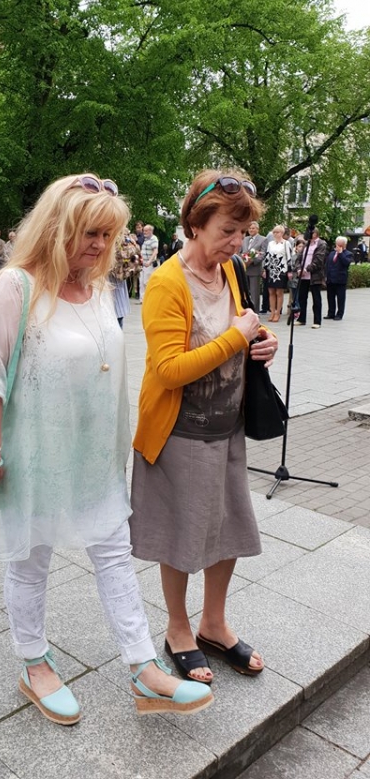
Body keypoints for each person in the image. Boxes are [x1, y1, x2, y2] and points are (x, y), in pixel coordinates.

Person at [0, 173, 213, 726]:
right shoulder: (15, 287)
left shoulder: (96, 289)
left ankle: (144, 668)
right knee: (31, 559)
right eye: (89, 233)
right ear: (56, 228)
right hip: (32, 455)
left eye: (108, 235)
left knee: (114, 553)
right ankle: (33, 663)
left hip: (93, 457)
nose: (100, 246)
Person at [130, 170, 277, 685]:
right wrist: (237, 338)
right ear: (195, 224)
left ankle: (213, 623)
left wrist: (262, 339)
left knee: (228, 529)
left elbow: (240, 324)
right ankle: (178, 629)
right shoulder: (166, 282)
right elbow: (169, 369)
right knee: (181, 534)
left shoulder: (228, 269)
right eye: (226, 231)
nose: (237, 243)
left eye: (242, 232)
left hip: (226, 426)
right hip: (180, 434)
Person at [293, 228, 327, 329]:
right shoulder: (306, 244)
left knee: (316, 298)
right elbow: (299, 258)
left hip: (314, 276)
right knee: (302, 298)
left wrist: (306, 269)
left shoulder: (321, 244)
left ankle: (317, 321)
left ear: (316, 233)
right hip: (303, 276)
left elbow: (318, 260)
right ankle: (301, 319)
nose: (308, 234)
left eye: (310, 232)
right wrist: (299, 269)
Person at [262, 225, 291, 322]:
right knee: (271, 292)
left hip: (281, 270)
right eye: (274, 232)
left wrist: (289, 271)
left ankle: (278, 312)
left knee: (279, 292)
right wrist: (264, 269)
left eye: (277, 232)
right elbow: (267, 257)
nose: (275, 234)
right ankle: (272, 312)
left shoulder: (286, 243)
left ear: (282, 233)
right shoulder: (271, 243)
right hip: (271, 270)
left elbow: (289, 258)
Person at [324, 236, 354, 321]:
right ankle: (331, 313)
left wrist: (340, 253)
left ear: (345, 245)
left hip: (340, 280)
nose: (338, 246)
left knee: (340, 298)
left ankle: (339, 314)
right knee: (330, 297)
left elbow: (346, 263)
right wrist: (326, 276)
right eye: (337, 244)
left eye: (340, 245)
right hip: (330, 279)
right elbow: (327, 265)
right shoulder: (332, 253)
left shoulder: (348, 254)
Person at [240, 221, 267, 309]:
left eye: (253, 228)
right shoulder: (245, 239)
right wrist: (242, 259)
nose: (251, 230)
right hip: (244, 269)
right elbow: (240, 251)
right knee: (243, 292)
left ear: (257, 229)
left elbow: (262, 254)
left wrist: (252, 260)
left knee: (254, 293)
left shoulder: (263, 239)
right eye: (250, 228)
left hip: (254, 269)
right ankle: (245, 310)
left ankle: (255, 311)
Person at [138, 224, 159, 303]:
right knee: (141, 282)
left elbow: (155, 251)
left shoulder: (154, 239)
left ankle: (149, 299)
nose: (144, 232)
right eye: (144, 230)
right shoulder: (145, 239)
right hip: (143, 263)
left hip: (149, 264)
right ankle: (142, 300)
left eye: (146, 231)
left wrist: (149, 261)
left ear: (151, 231)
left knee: (146, 282)